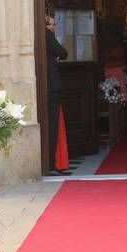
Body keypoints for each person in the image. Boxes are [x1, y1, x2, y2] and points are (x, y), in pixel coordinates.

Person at [45, 12, 69, 176]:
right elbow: (64, 52)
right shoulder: (46, 35)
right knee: (52, 125)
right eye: (50, 24)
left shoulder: (43, 35)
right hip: (51, 86)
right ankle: (51, 163)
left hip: (48, 86)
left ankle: (51, 162)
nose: (53, 27)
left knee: (52, 124)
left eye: (54, 24)